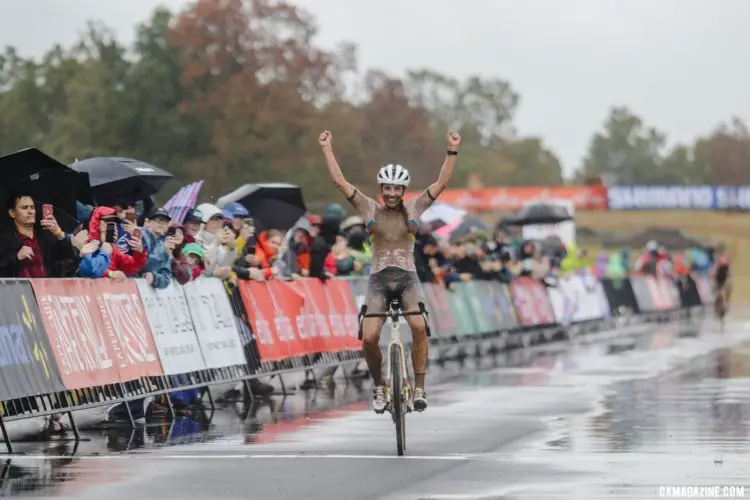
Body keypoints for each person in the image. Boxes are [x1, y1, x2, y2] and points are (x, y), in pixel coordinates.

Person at [318, 128, 460, 413]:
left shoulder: (415, 208)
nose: (392, 193)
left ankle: (419, 388)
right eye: (388, 188)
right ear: (381, 189)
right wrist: (327, 148)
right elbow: (339, 181)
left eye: (397, 189)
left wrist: (452, 150)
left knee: (419, 327)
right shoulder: (368, 208)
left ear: (403, 191)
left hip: (408, 279)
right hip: (378, 280)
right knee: (369, 338)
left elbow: (442, 182)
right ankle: (380, 387)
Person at [710, 243, 732, 317]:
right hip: (719, 277)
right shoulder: (719, 260)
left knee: (723, 292)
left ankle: (722, 306)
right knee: (720, 293)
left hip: (721, 277)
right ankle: (720, 306)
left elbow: (727, 270)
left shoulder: (722, 260)